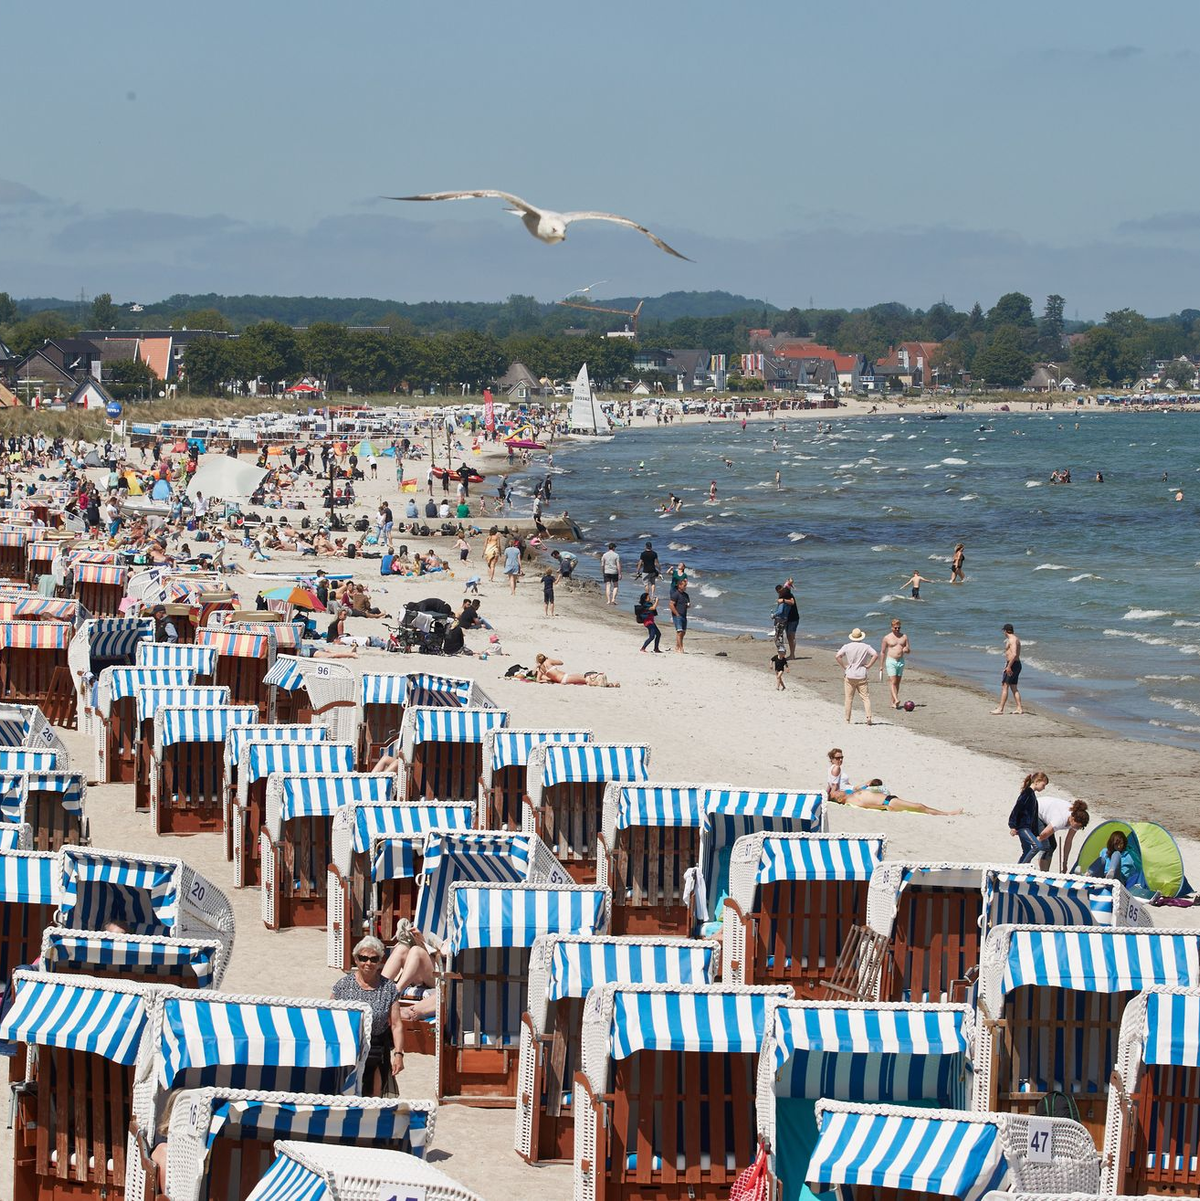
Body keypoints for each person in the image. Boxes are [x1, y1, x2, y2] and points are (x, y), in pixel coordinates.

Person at [332, 936, 404, 1093]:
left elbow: (397, 1024)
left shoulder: (389, 988)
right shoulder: (342, 986)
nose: (368, 963)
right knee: (346, 1093)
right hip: (348, 1048)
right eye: (363, 958)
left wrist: (398, 1054)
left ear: (380, 962)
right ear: (356, 960)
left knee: (374, 1095)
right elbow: (329, 1017)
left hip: (376, 1047)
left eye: (373, 959)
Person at [833, 779, 964, 817]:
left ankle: (946, 813)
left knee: (919, 806)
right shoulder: (851, 800)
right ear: (839, 800)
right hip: (887, 802)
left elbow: (867, 784)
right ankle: (947, 813)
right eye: (837, 793)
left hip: (888, 799)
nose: (839, 791)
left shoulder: (852, 793)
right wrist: (883, 807)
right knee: (919, 806)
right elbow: (864, 805)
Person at [1028, 796, 1090, 872]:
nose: (1077, 828)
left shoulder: (1075, 821)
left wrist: (1065, 863)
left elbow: (1068, 841)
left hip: (1046, 813)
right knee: (1046, 846)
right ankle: (1040, 872)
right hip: (1034, 810)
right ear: (1072, 819)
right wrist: (1035, 842)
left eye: (1080, 827)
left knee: (1052, 846)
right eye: (1077, 826)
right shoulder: (1060, 820)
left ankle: (1045, 873)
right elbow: (1043, 835)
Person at [836, 628, 878, 725]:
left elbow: (837, 656)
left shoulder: (847, 646)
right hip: (861, 674)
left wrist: (844, 666)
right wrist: (869, 666)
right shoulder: (866, 647)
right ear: (861, 637)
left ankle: (847, 719)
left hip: (850, 674)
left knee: (849, 698)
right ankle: (868, 717)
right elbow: (875, 655)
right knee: (865, 697)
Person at [1008, 771, 1049, 863]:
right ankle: (1022, 867)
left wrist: (1035, 833)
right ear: (1037, 781)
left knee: (1026, 851)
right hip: (1023, 828)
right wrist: (1013, 826)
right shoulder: (1027, 793)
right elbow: (1017, 809)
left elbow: (1034, 818)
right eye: (1043, 785)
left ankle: (1018, 869)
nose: (1044, 788)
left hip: (1027, 829)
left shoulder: (1033, 796)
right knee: (1038, 846)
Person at [993, 623, 1024, 715]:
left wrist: (1009, 666)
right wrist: (1006, 665)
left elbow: (1014, 654)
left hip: (1013, 665)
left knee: (1005, 686)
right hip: (1014, 664)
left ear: (1005, 631)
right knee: (1014, 687)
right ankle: (1019, 708)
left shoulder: (1012, 640)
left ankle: (1000, 709)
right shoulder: (1015, 639)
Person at [879, 618, 910, 709]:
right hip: (891, 660)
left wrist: (906, 650)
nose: (897, 629)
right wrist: (881, 665)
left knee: (897, 682)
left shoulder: (904, 637)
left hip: (900, 661)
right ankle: (896, 699)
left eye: (899, 628)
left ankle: (893, 702)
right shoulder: (887, 637)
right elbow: (883, 652)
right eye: (895, 628)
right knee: (892, 681)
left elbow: (908, 650)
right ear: (892, 627)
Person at [534, 654, 620, 686]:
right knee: (585, 679)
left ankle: (609, 684)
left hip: (564, 678)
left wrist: (549, 680)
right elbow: (561, 662)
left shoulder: (540, 669)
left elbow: (538, 680)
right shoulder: (548, 661)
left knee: (582, 676)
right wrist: (550, 658)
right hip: (564, 678)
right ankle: (600, 679)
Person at [669, 577, 690, 653]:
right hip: (677, 615)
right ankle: (681, 648)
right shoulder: (675, 594)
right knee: (679, 632)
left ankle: (677, 646)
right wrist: (677, 614)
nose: (685, 587)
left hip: (684, 615)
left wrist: (688, 606)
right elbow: (671, 605)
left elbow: (687, 604)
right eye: (684, 585)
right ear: (679, 586)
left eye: (686, 585)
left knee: (683, 632)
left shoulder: (686, 595)